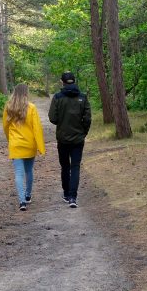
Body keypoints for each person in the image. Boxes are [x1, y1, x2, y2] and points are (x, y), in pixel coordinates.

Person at [48, 71, 91, 208]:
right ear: (74, 81)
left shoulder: (58, 97)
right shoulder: (83, 97)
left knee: (65, 166)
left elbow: (52, 118)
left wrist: (62, 124)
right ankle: (73, 197)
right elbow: (88, 119)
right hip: (78, 139)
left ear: (62, 82)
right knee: (75, 167)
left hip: (63, 139)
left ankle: (67, 194)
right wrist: (83, 132)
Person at [3, 83, 45, 211]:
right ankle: (27, 195)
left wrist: (10, 140)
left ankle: (22, 202)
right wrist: (40, 147)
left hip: (15, 145)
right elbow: (37, 128)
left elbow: (5, 127)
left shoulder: (9, 107)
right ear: (26, 93)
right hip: (29, 144)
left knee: (19, 174)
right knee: (29, 171)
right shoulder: (31, 107)